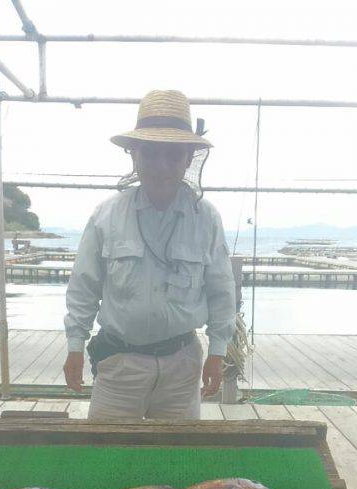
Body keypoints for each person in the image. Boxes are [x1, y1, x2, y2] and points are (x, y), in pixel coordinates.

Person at [63, 89, 236, 419]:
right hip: (118, 364)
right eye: (151, 153)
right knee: (104, 454)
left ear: (188, 159)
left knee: (180, 459)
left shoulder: (208, 218)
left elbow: (221, 291)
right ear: (134, 155)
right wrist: (74, 345)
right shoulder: (105, 215)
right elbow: (83, 288)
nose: (161, 165)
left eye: (173, 155)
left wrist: (217, 350)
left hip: (182, 365)